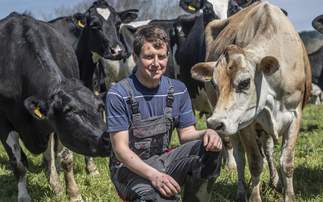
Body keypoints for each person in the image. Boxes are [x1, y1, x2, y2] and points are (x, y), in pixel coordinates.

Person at [105, 25, 223, 202]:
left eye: (161, 57)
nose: (156, 63)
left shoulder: (178, 90)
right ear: (135, 58)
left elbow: (187, 135)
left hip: (163, 160)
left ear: (168, 57)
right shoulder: (118, 94)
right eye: (148, 57)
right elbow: (120, 149)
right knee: (156, 197)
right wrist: (154, 176)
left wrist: (208, 133)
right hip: (127, 170)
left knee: (210, 148)